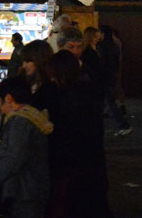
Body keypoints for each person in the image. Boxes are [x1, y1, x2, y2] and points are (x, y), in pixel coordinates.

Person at [45, 51, 109, 218]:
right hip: (93, 165)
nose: (52, 80)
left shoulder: (71, 98)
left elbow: (69, 136)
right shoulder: (88, 92)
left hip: (75, 168)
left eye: (54, 75)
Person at [0, 77, 53, 218]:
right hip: (28, 190)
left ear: (9, 99)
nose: (0, 108)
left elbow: (14, 158)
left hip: (24, 191)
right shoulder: (32, 116)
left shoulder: (21, 122)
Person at [18, 39, 54, 111]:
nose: (24, 66)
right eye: (24, 61)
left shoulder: (51, 89)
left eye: (28, 61)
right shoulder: (23, 83)